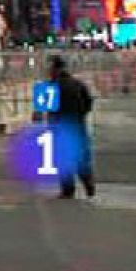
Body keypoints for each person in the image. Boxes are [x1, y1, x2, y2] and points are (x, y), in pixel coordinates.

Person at [48, 56, 96, 199]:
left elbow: (42, 110)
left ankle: (68, 189)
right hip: (77, 123)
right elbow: (88, 103)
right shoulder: (78, 84)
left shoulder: (50, 86)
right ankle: (88, 183)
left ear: (54, 69)